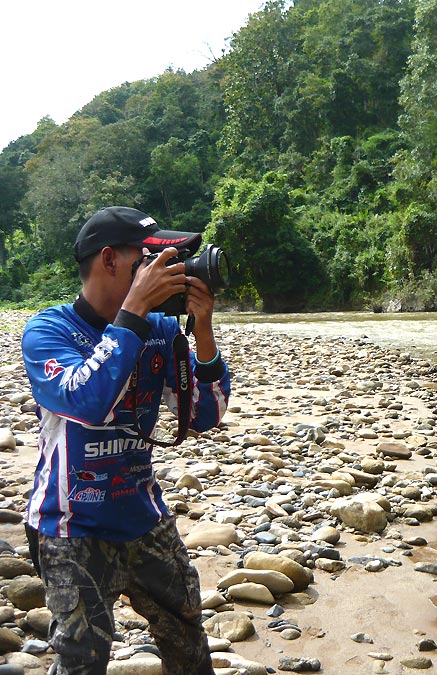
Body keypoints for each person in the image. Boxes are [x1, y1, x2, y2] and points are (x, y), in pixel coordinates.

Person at [21, 206, 231, 675]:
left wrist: (202, 331)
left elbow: (205, 415)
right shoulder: (48, 331)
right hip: (72, 526)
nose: (168, 270)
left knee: (187, 636)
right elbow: (85, 401)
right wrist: (134, 311)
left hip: (143, 516)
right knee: (82, 661)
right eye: (150, 261)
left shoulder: (159, 329)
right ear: (110, 260)